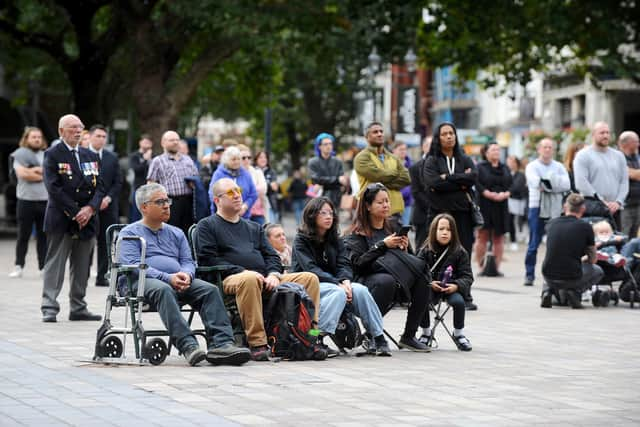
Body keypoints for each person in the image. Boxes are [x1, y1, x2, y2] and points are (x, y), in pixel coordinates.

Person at [119, 183, 251, 366]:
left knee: (209, 290)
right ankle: (188, 345)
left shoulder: (176, 232)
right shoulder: (129, 233)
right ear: (144, 207)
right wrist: (168, 278)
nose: (167, 205)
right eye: (160, 201)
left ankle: (222, 345)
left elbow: (188, 261)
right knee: (163, 289)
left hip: (177, 280)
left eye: (167, 200)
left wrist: (187, 275)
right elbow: (133, 265)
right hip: (140, 281)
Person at [196, 178, 321, 361]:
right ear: (217, 200)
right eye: (231, 193)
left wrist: (273, 274)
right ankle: (258, 343)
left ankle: (311, 336)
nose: (238, 195)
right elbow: (207, 259)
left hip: (264, 278)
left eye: (238, 190)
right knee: (249, 279)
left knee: (309, 278)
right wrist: (242, 271)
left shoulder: (253, 227)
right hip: (229, 278)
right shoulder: (207, 226)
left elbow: (271, 256)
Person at [291, 197, 392, 356]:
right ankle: (314, 338)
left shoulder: (335, 239)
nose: (328, 216)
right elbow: (310, 269)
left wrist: (345, 281)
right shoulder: (300, 240)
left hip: (335, 285)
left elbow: (344, 264)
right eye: (323, 213)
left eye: (331, 213)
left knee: (361, 290)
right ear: (312, 215)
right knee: (338, 293)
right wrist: (338, 284)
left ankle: (378, 338)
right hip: (308, 286)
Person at [344, 183, 430, 351]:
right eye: (380, 202)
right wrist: (382, 245)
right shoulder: (356, 233)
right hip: (367, 279)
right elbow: (358, 265)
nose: (386, 205)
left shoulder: (394, 226)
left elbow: (409, 260)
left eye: (387, 201)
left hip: (396, 276)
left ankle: (409, 336)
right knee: (386, 281)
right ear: (368, 206)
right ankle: (371, 335)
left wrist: (404, 248)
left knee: (422, 277)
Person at [41, 114, 104, 323]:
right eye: (72, 128)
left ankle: (78, 306)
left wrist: (90, 209)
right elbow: (53, 187)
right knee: (55, 264)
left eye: (80, 127)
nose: (78, 131)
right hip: (62, 218)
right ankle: (49, 306)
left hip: (87, 219)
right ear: (61, 131)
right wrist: (76, 211)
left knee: (82, 265)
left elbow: (99, 186)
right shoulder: (53, 153)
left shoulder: (90, 155)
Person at [421, 122, 478, 310]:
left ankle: (464, 294)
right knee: (433, 251)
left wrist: (447, 178)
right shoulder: (431, 161)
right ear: (438, 138)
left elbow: (473, 178)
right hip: (439, 214)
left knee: (464, 252)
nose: (449, 137)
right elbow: (433, 183)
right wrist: (459, 181)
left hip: (462, 214)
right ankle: (430, 292)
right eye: (444, 134)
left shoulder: (464, 158)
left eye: (451, 133)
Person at [418, 214, 473, 351]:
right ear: (433, 231)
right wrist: (430, 283)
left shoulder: (460, 252)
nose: (445, 232)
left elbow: (467, 277)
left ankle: (459, 334)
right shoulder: (425, 251)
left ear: (453, 232)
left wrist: (456, 286)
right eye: (441, 229)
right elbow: (417, 274)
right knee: (421, 300)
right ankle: (426, 333)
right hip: (431, 287)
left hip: (451, 288)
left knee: (459, 303)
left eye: (449, 230)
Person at [541, 194, 604, 309]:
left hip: (547, 274)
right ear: (583, 209)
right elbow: (593, 259)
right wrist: (585, 256)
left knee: (554, 261)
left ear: (565, 207)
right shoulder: (586, 227)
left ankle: (547, 291)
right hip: (571, 276)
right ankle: (574, 292)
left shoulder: (551, 224)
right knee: (598, 271)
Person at [524, 138, 570, 286]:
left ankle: (551, 274)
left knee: (555, 243)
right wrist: (554, 183)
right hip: (536, 207)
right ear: (539, 149)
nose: (548, 150)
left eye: (550, 147)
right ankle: (529, 275)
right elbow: (536, 183)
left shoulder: (559, 166)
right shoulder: (532, 166)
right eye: (545, 147)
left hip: (555, 209)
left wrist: (549, 183)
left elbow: (566, 185)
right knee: (533, 243)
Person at [9, 127, 48, 278]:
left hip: (44, 201)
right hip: (26, 201)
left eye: (39, 137)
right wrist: (39, 172)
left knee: (43, 236)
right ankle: (19, 265)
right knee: (23, 235)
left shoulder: (47, 155)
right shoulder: (19, 155)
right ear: (26, 139)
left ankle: (43, 267)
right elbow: (22, 174)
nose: (37, 139)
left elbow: (51, 175)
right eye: (33, 137)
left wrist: (33, 171)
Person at [574, 121, 628, 230]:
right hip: (593, 208)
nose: (606, 136)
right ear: (593, 135)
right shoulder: (583, 155)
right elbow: (581, 182)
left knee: (617, 243)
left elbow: (624, 181)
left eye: (608, 133)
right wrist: (601, 201)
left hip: (615, 209)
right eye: (602, 133)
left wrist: (618, 201)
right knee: (594, 244)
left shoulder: (619, 156)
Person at [354, 122, 410, 225]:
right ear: (367, 137)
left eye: (381, 131)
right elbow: (377, 176)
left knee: (399, 241)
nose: (380, 134)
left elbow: (406, 179)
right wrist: (395, 174)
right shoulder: (361, 158)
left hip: (394, 211)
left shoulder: (393, 157)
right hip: (371, 212)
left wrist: (380, 181)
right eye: (375, 132)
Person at [88, 125, 122, 287]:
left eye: (103, 136)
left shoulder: (112, 157)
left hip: (107, 206)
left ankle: (102, 275)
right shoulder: (82, 155)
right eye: (98, 136)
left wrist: (107, 198)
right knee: (86, 240)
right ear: (90, 136)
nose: (101, 139)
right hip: (87, 206)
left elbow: (118, 182)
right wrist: (93, 202)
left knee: (105, 241)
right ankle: (83, 272)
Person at [146, 130, 199, 236]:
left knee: (187, 233)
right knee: (170, 233)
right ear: (163, 143)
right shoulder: (158, 161)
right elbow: (151, 184)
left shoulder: (188, 159)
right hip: (169, 203)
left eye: (177, 140)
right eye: (171, 140)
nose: (175, 142)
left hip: (188, 202)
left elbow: (196, 179)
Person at [474, 142, 512, 274]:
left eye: (498, 149)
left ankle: (496, 267)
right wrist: (486, 193)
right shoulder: (480, 167)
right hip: (485, 204)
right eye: (493, 149)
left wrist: (506, 194)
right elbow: (476, 182)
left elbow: (511, 184)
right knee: (482, 236)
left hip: (501, 205)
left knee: (499, 237)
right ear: (486, 153)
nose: (496, 152)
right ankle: (481, 266)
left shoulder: (505, 167)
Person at [209, 145, 257, 220]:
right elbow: (212, 194)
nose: (237, 162)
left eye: (238, 159)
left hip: (243, 217)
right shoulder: (219, 174)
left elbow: (253, 194)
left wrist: (244, 207)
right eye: (233, 159)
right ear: (226, 160)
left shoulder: (245, 174)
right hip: (223, 218)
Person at [307, 133, 347, 209]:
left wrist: (322, 182)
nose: (328, 146)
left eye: (330, 143)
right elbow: (315, 179)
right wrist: (337, 180)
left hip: (336, 198)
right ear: (319, 146)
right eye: (325, 144)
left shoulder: (338, 161)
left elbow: (342, 180)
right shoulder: (312, 162)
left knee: (335, 219)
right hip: (319, 199)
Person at [409, 137, 432, 250]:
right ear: (423, 147)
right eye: (429, 145)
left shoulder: (442, 165)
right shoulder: (415, 167)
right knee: (421, 248)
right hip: (422, 213)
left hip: (440, 214)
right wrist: (431, 206)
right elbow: (416, 192)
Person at [239, 145, 268, 225]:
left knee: (259, 235)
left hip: (258, 211)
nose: (247, 160)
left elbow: (263, 189)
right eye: (244, 158)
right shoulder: (235, 174)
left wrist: (248, 190)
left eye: (249, 157)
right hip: (242, 212)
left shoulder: (257, 172)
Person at [618, 131, 640, 238]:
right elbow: (633, 175)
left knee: (634, 236)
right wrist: (634, 173)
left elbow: (634, 174)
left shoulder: (636, 157)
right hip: (625, 205)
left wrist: (634, 173)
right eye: (636, 142)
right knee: (624, 235)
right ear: (626, 143)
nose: (638, 144)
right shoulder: (618, 157)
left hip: (637, 203)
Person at [128, 134, 153, 223]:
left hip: (151, 189)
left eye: (149, 142)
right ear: (140, 143)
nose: (147, 144)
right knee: (137, 214)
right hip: (138, 188)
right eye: (145, 142)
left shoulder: (154, 156)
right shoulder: (134, 156)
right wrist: (145, 160)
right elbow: (136, 170)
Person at [506, 155, 527, 251]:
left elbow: (517, 187)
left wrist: (507, 191)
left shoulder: (520, 175)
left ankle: (518, 237)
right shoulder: (505, 173)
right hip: (506, 199)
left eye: (513, 162)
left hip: (517, 200)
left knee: (519, 220)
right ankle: (512, 239)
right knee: (510, 220)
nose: (511, 163)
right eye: (509, 161)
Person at [392, 141, 413, 228]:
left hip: (406, 202)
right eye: (400, 149)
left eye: (405, 149)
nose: (403, 151)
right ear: (394, 150)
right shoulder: (390, 164)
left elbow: (413, 183)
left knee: (404, 228)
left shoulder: (410, 164)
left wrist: (403, 193)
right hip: (393, 201)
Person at [255, 151, 279, 223]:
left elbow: (275, 187)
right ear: (256, 159)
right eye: (260, 157)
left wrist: (261, 186)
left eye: (265, 157)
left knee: (271, 229)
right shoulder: (252, 170)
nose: (263, 159)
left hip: (269, 205)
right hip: (255, 207)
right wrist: (268, 185)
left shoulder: (271, 171)